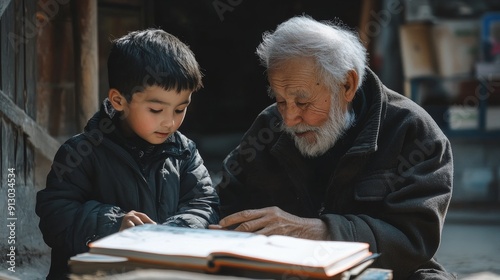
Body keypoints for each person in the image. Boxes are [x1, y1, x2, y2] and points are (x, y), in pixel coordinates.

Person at [210, 15, 455, 279]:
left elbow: (414, 239)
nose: (289, 119)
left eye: (303, 103)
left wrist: (317, 231)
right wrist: (186, 222)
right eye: (281, 101)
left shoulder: (413, 131)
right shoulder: (269, 126)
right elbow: (223, 203)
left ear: (347, 85)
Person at [36, 28, 219, 280]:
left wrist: (176, 231)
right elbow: (55, 216)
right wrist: (114, 225)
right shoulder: (81, 152)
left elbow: (204, 205)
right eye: (156, 109)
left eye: (180, 109)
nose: (169, 123)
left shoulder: (184, 152)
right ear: (118, 101)